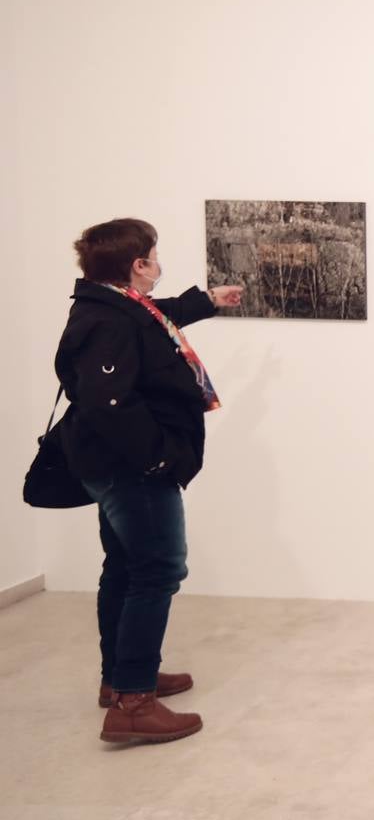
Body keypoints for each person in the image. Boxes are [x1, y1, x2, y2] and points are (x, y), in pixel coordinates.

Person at [55, 218, 242, 745]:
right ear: (138, 265)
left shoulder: (114, 305)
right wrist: (158, 459)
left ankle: (121, 677)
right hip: (129, 469)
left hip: (112, 466)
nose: (159, 262)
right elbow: (107, 402)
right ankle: (133, 702)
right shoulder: (109, 320)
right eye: (154, 255)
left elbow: (157, 321)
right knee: (158, 570)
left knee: (126, 566)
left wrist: (207, 300)